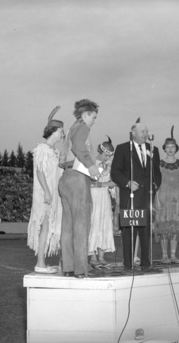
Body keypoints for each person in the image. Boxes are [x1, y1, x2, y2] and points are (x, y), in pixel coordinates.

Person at [111, 119, 161, 270]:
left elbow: (157, 172)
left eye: (146, 131)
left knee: (145, 232)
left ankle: (146, 263)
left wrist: (155, 185)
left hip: (147, 197)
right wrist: (127, 183)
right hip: (130, 197)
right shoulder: (123, 148)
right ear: (133, 133)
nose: (145, 134)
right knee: (129, 233)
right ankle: (128, 264)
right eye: (142, 132)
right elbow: (115, 172)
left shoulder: (153, 149)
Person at [59, 99, 101, 279]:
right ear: (85, 115)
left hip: (66, 177)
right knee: (81, 224)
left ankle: (68, 267)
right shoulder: (83, 127)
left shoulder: (70, 129)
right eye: (94, 116)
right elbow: (79, 147)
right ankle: (81, 269)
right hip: (77, 178)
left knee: (67, 227)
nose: (94, 120)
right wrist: (92, 166)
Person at [27, 106, 65, 274]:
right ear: (54, 131)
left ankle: (43, 262)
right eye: (61, 131)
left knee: (48, 227)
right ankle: (40, 263)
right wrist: (48, 192)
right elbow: (40, 172)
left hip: (53, 195)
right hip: (45, 196)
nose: (62, 134)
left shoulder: (54, 151)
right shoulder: (42, 149)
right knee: (44, 227)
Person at [153, 127, 179, 264]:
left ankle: (173, 255)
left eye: (173, 146)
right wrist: (156, 199)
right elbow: (155, 183)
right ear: (164, 149)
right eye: (167, 147)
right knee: (164, 228)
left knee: (175, 228)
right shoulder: (159, 164)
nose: (170, 149)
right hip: (163, 198)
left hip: (177, 200)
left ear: (176, 148)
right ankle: (164, 255)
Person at [88, 137, 116, 267]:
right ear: (101, 151)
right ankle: (92, 255)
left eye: (109, 156)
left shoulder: (109, 165)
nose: (107, 158)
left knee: (104, 222)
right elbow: (89, 183)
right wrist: (106, 183)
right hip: (94, 196)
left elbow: (111, 182)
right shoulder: (91, 163)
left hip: (104, 197)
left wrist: (112, 185)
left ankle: (101, 255)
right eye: (106, 155)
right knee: (94, 223)